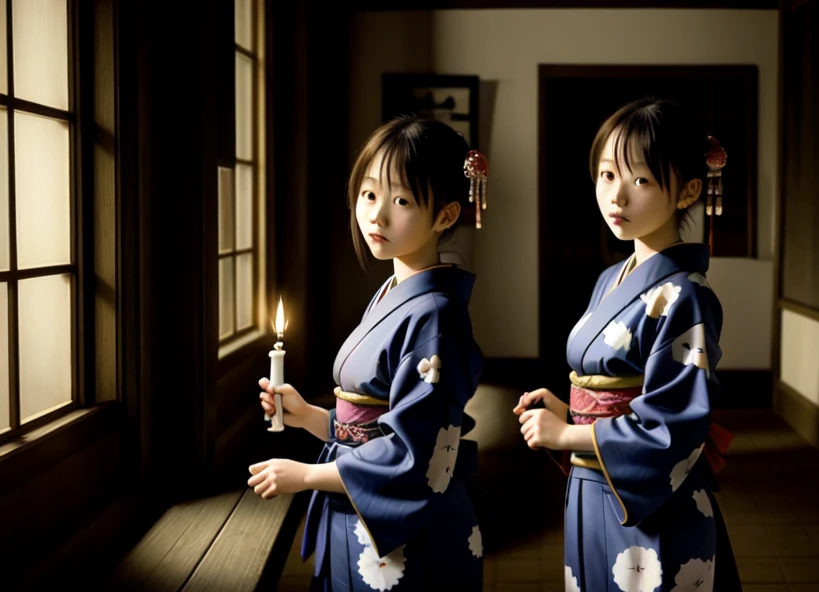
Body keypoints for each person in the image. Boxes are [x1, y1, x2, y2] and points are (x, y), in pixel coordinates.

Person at [249, 115, 489, 591]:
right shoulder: (392, 293)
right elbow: (373, 427)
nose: (377, 215)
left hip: (407, 536)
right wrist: (314, 418)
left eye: (400, 200)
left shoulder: (435, 317)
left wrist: (308, 475)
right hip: (363, 516)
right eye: (369, 194)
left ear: (445, 215)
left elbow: (414, 455)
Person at [514, 98, 740, 591]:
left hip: (654, 503)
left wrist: (569, 435)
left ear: (689, 192)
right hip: (597, 487)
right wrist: (570, 412)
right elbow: (609, 391)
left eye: (641, 180)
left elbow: (673, 427)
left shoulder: (688, 295)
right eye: (607, 175)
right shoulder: (609, 279)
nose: (617, 196)